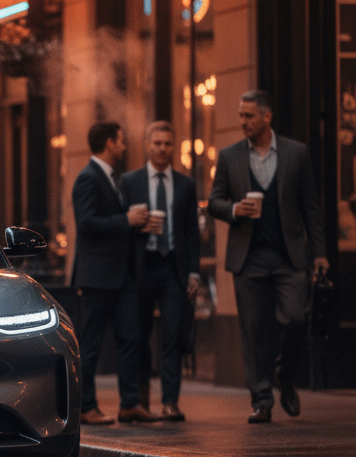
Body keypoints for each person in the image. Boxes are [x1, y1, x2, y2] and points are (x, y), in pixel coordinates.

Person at [208, 90, 330, 424]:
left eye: (248, 115)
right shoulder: (230, 156)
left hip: (289, 256)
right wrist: (235, 209)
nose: (242, 121)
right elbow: (213, 201)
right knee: (253, 331)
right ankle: (261, 399)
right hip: (248, 258)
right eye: (241, 115)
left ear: (266, 117)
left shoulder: (296, 153)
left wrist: (319, 252)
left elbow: (311, 207)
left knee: (296, 317)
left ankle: (285, 377)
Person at [71, 121, 159, 425]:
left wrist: (138, 225)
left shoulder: (110, 178)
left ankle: (129, 403)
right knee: (91, 343)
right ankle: (86, 406)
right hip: (97, 277)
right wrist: (127, 219)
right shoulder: (88, 178)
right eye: (121, 141)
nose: (124, 147)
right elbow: (86, 224)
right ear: (109, 143)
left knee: (130, 337)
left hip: (121, 275)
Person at [120, 121, 201, 421]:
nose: (163, 149)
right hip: (142, 267)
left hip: (173, 269)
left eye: (168, 143)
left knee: (173, 336)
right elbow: (121, 227)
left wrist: (194, 272)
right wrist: (138, 226)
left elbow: (191, 232)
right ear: (147, 145)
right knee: (138, 335)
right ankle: (140, 399)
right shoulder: (130, 181)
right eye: (158, 143)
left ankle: (170, 401)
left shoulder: (186, 184)